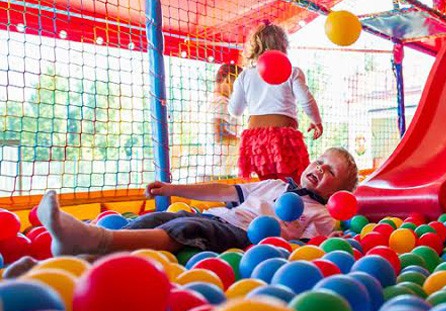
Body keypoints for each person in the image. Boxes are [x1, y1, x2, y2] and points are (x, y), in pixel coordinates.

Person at [33, 147, 358, 258]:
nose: (319, 169)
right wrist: (173, 189)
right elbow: (222, 191)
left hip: (243, 235)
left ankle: (95, 239)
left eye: (330, 171)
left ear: (336, 195)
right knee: (153, 221)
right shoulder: (275, 184)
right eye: (319, 161)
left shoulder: (321, 213)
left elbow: (312, 245)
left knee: (184, 227)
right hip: (220, 216)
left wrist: (335, 239)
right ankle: (78, 254)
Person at [229, 22, 324, 181]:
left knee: (268, 185)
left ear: (254, 48)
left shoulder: (245, 76)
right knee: (292, 184)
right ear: (283, 46)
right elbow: (306, 100)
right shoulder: (291, 72)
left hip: (255, 140)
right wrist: (317, 121)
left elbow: (235, 111)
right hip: (283, 137)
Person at [204, 63, 242, 179]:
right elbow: (218, 135)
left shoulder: (212, 100)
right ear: (228, 79)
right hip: (219, 173)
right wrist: (245, 141)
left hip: (216, 170)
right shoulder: (221, 102)